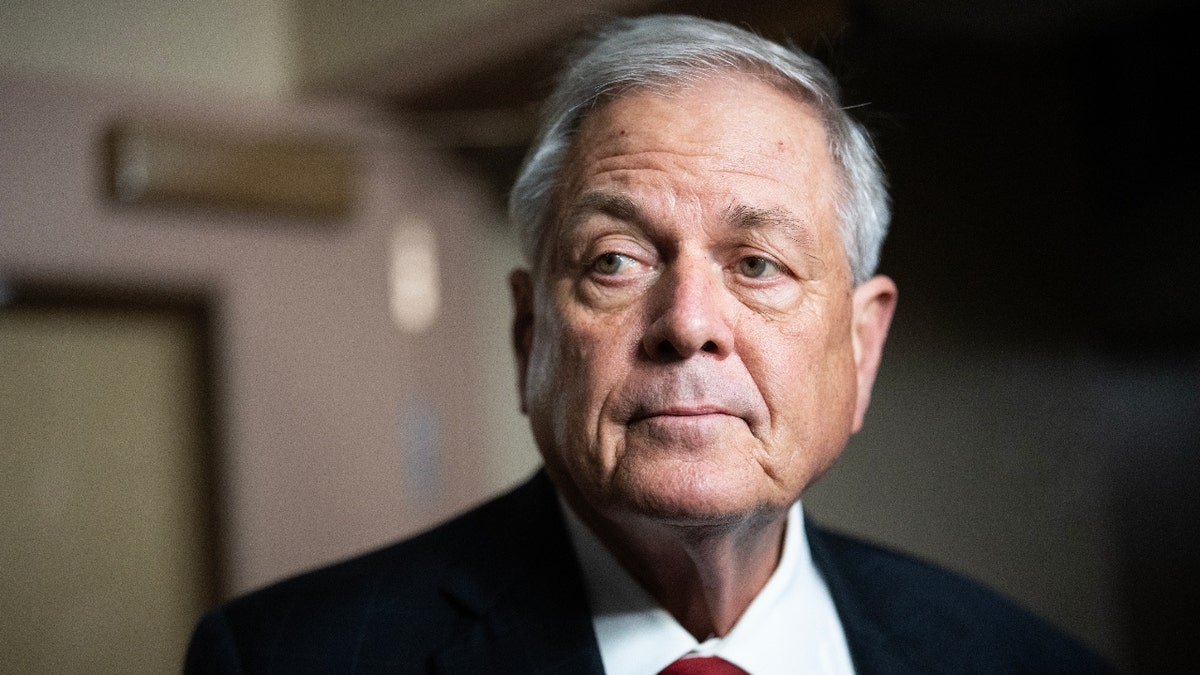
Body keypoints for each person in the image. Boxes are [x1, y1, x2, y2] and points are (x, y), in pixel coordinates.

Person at [185, 14, 1113, 674]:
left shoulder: (1026, 659)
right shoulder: (284, 657)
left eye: (758, 263)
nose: (689, 322)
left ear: (862, 348)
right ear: (527, 336)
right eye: (616, 260)